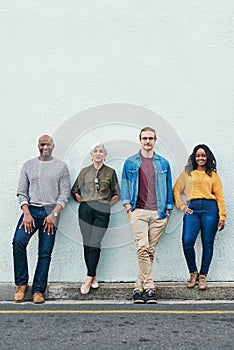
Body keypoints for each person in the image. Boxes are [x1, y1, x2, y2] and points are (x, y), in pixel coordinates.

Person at [12, 134, 71, 303]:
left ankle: (38, 290)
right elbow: (22, 192)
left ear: (53, 146)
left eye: (48, 144)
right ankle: (21, 285)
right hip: (30, 212)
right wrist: (26, 213)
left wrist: (54, 214)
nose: (45, 147)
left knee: (45, 252)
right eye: (42, 144)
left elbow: (64, 194)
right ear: (38, 146)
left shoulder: (61, 167)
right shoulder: (28, 166)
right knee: (18, 242)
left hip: (50, 214)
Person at [121, 127, 173, 303]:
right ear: (140, 140)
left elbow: (168, 186)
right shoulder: (130, 162)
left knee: (149, 251)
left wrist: (167, 209)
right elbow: (125, 186)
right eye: (145, 138)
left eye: (151, 138)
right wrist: (129, 208)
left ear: (155, 140)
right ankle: (150, 288)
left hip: (158, 212)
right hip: (139, 211)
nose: (148, 141)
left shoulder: (163, 163)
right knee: (142, 248)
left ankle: (138, 288)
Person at [173, 144, 226, 290]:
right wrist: (183, 206)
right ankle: (193, 272)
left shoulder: (213, 175)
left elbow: (220, 196)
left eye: (203, 155)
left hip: (210, 209)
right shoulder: (187, 173)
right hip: (193, 210)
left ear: (207, 157)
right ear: (194, 157)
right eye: (198, 156)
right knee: (187, 241)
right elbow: (176, 190)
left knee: (207, 243)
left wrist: (222, 216)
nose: (200, 158)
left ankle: (203, 276)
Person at [71, 142, 120, 295]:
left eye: (101, 151)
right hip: (86, 209)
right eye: (95, 151)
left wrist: (106, 206)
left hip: (102, 210)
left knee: (95, 242)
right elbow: (75, 191)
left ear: (105, 155)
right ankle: (93, 276)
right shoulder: (84, 171)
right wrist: (85, 203)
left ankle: (88, 278)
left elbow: (116, 193)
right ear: (91, 154)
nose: (98, 154)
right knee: (87, 242)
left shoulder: (110, 172)